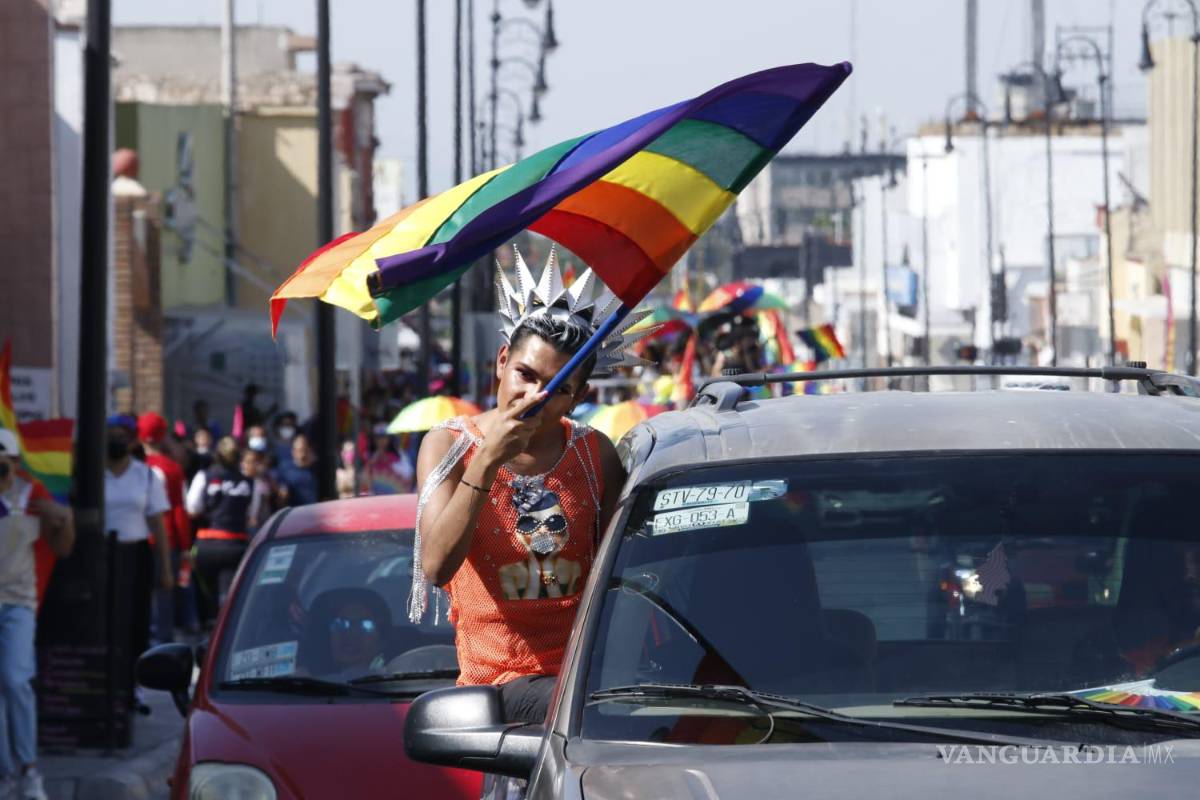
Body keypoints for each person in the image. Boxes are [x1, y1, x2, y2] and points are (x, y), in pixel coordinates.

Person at [413, 247, 629, 727]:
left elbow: (624, 578)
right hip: (498, 691)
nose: (534, 397)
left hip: (588, 684)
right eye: (525, 375)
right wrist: (489, 458)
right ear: (502, 362)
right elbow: (437, 566)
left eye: (556, 389)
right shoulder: (448, 445)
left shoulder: (596, 454)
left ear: (579, 397)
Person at [0, 429, 73, 800]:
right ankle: (6, 772)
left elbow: (62, 546)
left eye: (4, 462)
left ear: (14, 463)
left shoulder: (31, 495)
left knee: (15, 680)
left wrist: (63, 518)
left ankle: (29, 770)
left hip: (17, 603)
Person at [103, 415, 173, 712]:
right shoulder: (91, 473)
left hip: (136, 553)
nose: (118, 441)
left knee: (136, 620)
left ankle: (134, 687)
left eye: (123, 436)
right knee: (105, 620)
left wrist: (166, 568)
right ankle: (105, 684)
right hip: (102, 555)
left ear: (133, 441)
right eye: (112, 435)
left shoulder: (146, 475)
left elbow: (157, 523)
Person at [137, 412, 193, 645]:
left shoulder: (133, 467)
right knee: (164, 592)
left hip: (138, 536)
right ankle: (163, 642)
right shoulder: (172, 469)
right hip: (167, 538)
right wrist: (185, 545)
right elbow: (180, 509)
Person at [186, 437, 253, 626]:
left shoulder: (204, 476)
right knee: (231, 598)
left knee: (208, 597)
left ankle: (209, 627)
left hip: (206, 546)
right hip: (236, 546)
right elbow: (252, 514)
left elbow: (192, 508)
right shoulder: (248, 482)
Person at [360, 424, 415, 496]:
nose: (381, 441)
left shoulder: (398, 455)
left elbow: (408, 474)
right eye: (378, 438)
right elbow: (364, 478)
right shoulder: (371, 456)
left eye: (384, 437)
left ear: (389, 439)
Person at [278, 434, 319, 507]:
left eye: (304, 449)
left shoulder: (316, 468)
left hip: (314, 512)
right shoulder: (285, 468)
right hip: (295, 512)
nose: (302, 453)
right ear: (293, 451)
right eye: (299, 450)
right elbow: (281, 489)